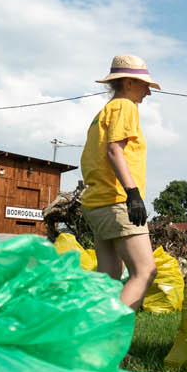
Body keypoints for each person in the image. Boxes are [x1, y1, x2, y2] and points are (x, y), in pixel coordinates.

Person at [80, 54, 159, 311]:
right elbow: (114, 151)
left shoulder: (104, 112)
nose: (148, 91)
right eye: (144, 85)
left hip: (97, 202)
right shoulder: (125, 106)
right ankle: (111, 332)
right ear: (127, 83)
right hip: (117, 200)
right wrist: (133, 194)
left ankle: (89, 330)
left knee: (109, 277)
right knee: (145, 271)